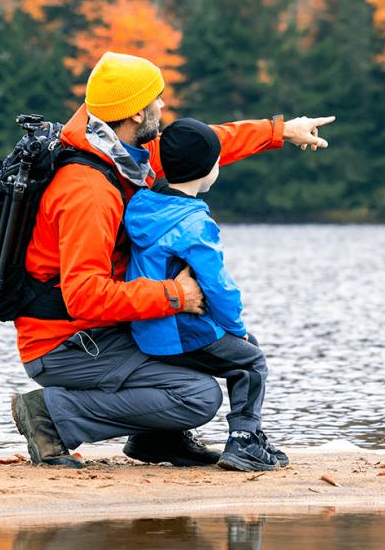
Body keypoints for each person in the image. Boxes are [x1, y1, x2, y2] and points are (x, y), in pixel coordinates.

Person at [10, 51, 333, 468]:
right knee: (197, 395)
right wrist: (173, 295)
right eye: (157, 101)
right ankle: (50, 416)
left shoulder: (119, 153)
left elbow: (198, 148)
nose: (163, 108)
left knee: (193, 347)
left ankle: (154, 441)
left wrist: (280, 131)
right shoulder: (88, 192)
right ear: (137, 113)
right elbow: (83, 296)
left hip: (99, 329)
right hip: (64, 343)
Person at [122, 118, 286, 472]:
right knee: (250, 359)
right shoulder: (194, 224)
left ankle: (151, 438)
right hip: (177, 330)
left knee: (241, 350)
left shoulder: (141, 206)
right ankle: (244, 441)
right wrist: (236, 326)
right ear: (211, 169)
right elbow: (218, 286)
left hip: (145, 327)